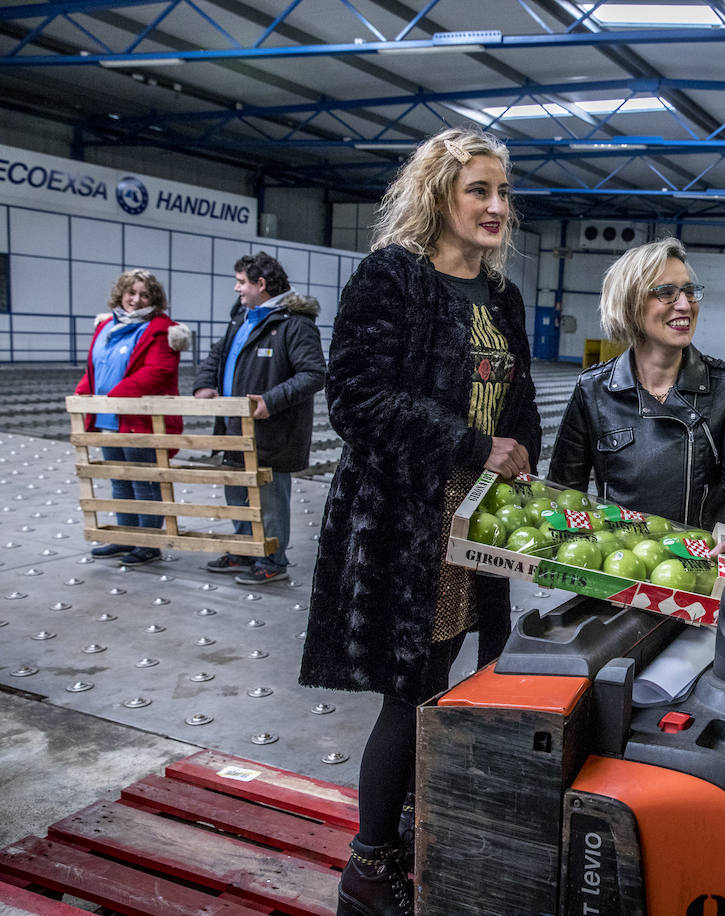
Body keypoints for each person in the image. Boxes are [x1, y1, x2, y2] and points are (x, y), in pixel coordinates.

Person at [298, 127, 541, 916]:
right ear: (439, 195)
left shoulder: (502, 297)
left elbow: (521, 399)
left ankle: (414, 830)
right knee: (412, 688)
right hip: (408, 519)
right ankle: (370, 868)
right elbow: (356, 401)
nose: (497, 206)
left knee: (471, 675)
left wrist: (523, 452)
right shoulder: (390, 279)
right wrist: (474, 445)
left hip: (480, 519)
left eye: (503, 192)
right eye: (480, 190)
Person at [547, 237, 725, 564]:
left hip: (699, 568)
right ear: (630, 304)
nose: (685, 304)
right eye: (667, 292)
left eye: (690, 291)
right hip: (618, 569)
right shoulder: (594, 390)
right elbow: (564, 491)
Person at [192, 252, 325, 585]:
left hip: (271, 430)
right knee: (236, 492)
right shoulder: (242, 316)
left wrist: (270, 400)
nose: (236, 289)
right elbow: (219, 354)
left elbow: (313, 374)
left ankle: (272, 559)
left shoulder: (294, 323)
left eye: (241, 282)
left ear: (260, 284)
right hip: (233, 424)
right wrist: (205, 383)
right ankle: (243, 547)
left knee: (268, 498)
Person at [75, 269, 189, 565]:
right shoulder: (106, 326)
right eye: (131, 293)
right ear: (121, 294)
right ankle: (124, 538)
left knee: (144, 482)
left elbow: (158, 371)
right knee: (120, 481)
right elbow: (95, 368)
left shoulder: (163, 329)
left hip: (141, 420)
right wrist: (82, 395)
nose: (136, 300)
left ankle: (148, 544)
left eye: (144, 294)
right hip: (109, 420)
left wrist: (112, 398)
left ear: (154, 299)